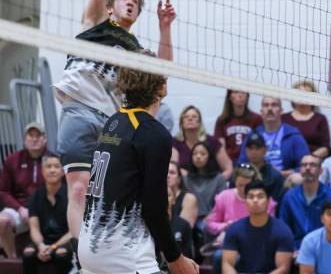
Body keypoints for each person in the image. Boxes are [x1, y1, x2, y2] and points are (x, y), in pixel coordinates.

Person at [53, 0, 177, 239]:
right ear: (110, 6)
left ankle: (105, 250)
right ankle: (82, 260)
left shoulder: (136, 52)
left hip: (113, 123)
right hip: (78, 112)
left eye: (135, 2)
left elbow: (162, 74)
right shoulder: (93, 22)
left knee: (106, 196)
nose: (131, 3)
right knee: (78, 190)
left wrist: (165, 27)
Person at [78, 56, 198, 274]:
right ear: (161, 86)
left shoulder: (114, 122)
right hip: (123, 252)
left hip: (89, 246)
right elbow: (155, 208)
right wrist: (175, 258)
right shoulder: (152, 133)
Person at [0, 122, 48, 258]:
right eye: (31, 135)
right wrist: (20, 209)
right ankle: (13, 260)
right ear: (25, 139)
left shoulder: (53, 160)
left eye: (38, 135)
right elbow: (2, 191)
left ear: (45, 139)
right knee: (1, 221)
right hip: (20, 209)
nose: (34, 139)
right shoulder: (13, 160)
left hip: (45, 209)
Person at [221, 180, 294, 274]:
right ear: (246, 202)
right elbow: (227, 264)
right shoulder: (234, 229)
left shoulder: (283, 230)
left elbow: (283, 268)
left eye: (260, 196)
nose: (255, 200)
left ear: (268, 202)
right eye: (251, 197)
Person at [238, 96, 309, 185]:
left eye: (274, 105)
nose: (270, 108)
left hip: (285, 179)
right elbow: (241, 163)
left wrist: (286, 173)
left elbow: (306, 164)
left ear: (281, 111)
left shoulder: (293, 135)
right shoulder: (252, 136)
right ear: (261, 112)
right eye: (266, 105)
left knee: (297, 179)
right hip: (257, 179)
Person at [22, 153, 72, 274]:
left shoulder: (71, 195)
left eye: (56, 166)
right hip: (43, 241)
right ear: (42, 171)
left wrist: (53, 247)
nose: (52, 170)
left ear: (62, 171)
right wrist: (40, 246)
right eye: (48, 166)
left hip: (65, 241)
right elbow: (34, 228)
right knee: (28, 253)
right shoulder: (35, 196)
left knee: (61, 254)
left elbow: (73, 232)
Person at [206, 164, 276, 245]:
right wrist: (225, 226)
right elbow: (211, 224)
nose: (243, 189)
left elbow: (271, 226)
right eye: (240, 185)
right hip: (230, 241)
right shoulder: (224, 197)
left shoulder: (266, 200)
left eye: (247, 186)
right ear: (235, 182)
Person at [279, 154, 331, 249]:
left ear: (321, 171)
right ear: (299, 170)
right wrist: (292, 250)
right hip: (296, 251)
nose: (307, 168)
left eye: (312, 165)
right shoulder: (289, 197)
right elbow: (284, 229)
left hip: (323, 250)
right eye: (304, 165)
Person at [173, 105, 232, 179]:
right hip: (185, 185)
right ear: (181, 123)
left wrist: (217, 183)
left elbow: (228, 168)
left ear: (199, 122)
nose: (190, 118)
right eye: (186, 117)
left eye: (194, 117)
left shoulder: (212, 142)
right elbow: (173, 168)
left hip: (211, 185)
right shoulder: (175, 143)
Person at [281, 81, 331, 158]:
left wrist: (308, 159)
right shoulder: (283, 118)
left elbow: (326, 148)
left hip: (312, 163)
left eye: (306, 94)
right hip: (288, 161)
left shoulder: (320, 119)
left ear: (313, 97)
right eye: (299, 94)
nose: (302, 97)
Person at [183, 141, 227, 223]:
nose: (198, 157)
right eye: (195, 154)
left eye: (203, 154)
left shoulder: (219, 179)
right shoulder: (186, 178)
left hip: (212, 220)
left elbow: (223, 203)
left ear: (210, 157)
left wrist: (211, 217)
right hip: (188, 218)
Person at [214, 90, 262, 162]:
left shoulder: (256, 119)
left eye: (243, 92)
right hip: (230, 161)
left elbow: (260, 144)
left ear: (247, 96)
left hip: (250, 162)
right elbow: (221, 148)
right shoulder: (222, 120)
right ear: (230, 97)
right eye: (236, 92)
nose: (240, 95)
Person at [242, 131, 285, 206]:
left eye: (257, 148)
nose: (254, 152)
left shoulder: (275, 176)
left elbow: (277, 206)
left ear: (265, 150)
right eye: (250, 148)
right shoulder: (239, 174)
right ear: (246, 150)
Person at [168, 161, 199, 229]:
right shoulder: (155, 197)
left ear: (179, 178)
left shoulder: (189, 199)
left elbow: (182, 230)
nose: (167, 176)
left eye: (172, 173)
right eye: (165, 172)